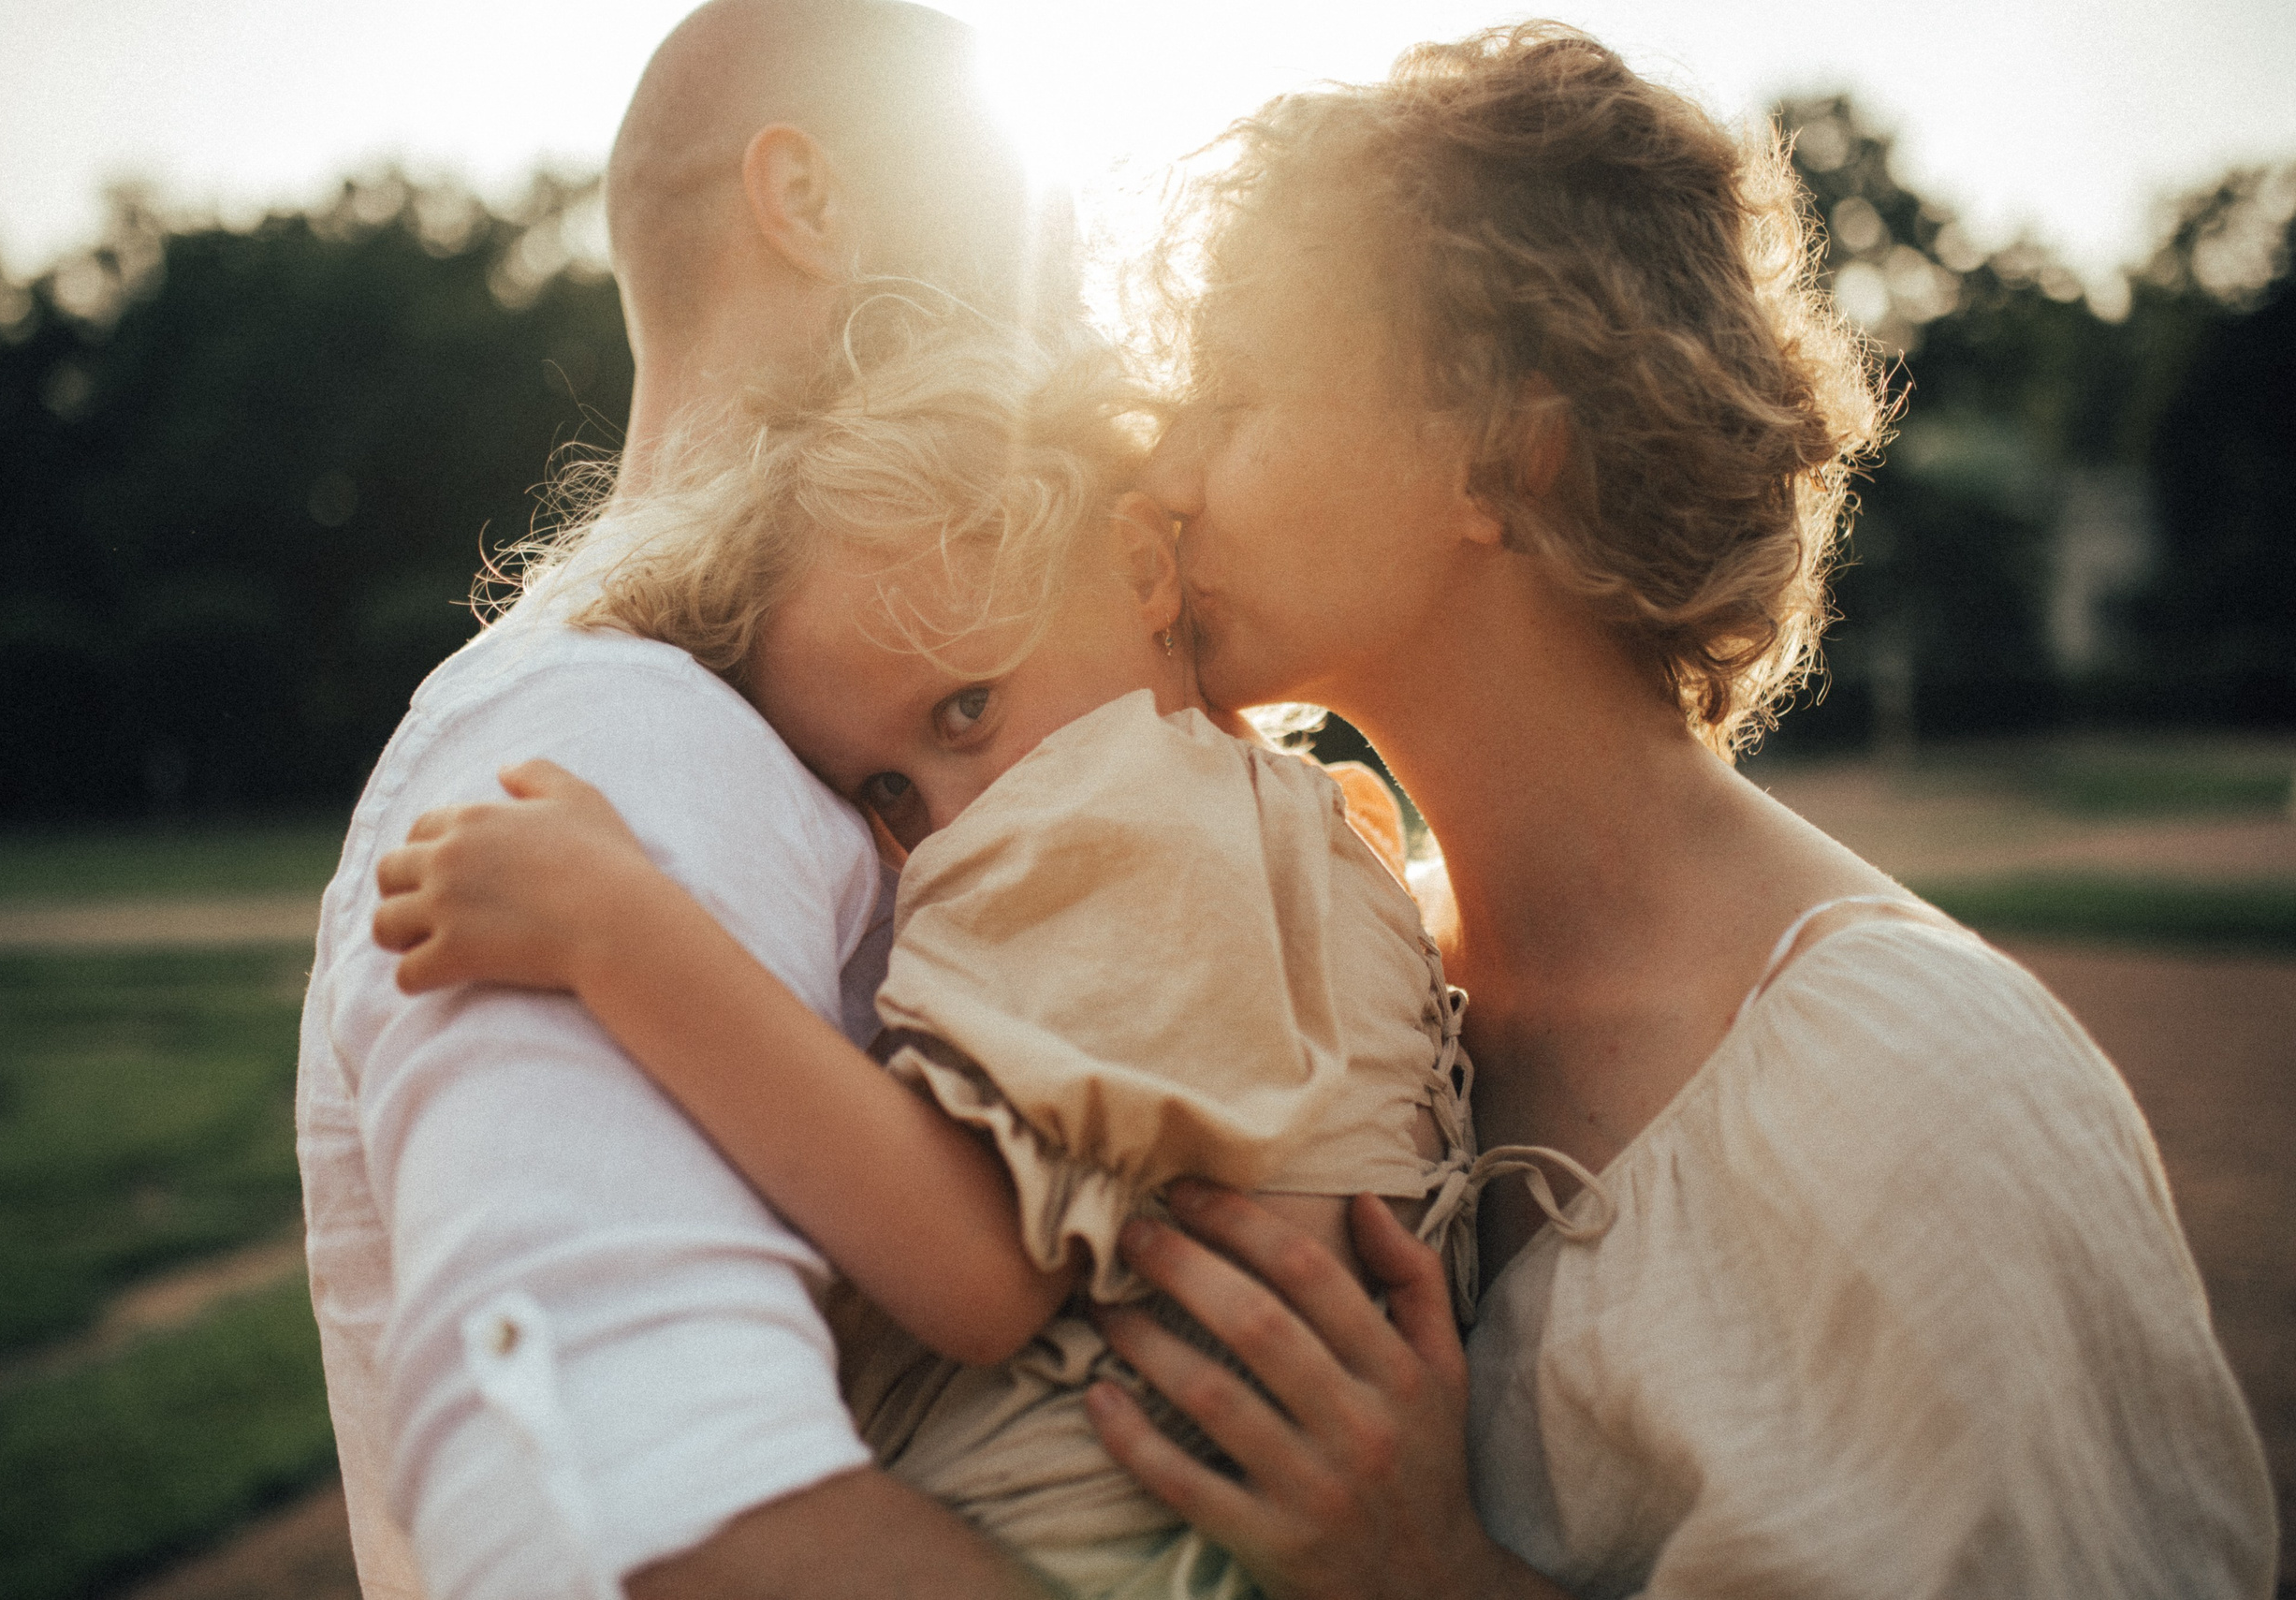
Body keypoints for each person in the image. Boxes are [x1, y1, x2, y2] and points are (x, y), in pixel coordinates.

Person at [1066, 23, 2279, 1600]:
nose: (1160, 478)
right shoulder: (1361, 980)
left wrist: (1429, 1576)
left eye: (1232, 392)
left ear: (1503, 449)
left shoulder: (1924, 1099)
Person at [367, 310, 1504, 1600]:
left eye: (968, 706)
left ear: (1141, 566)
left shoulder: (1121, 810)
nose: (949, 827)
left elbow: (976, 1273)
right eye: (887, 790)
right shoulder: (1293, 821)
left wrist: (618, 930)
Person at [294, 4, 1064, 1597]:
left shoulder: (734, 722)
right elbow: (610, 1527)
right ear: (810, 201)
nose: (1045, 297)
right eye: (1011, 219)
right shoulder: (620, 733)